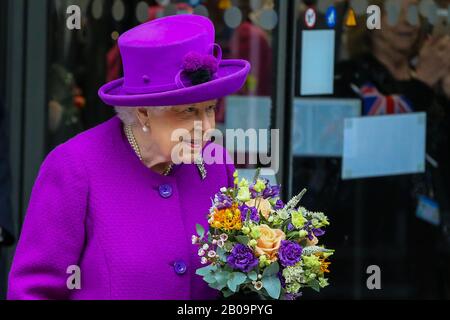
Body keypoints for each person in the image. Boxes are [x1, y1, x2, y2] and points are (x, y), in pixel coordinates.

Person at [8, 15, 250, 300]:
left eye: (210, 108)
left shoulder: (216, 164)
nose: (208, 127)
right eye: (189, 112)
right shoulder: (75, 167)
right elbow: (33, 290)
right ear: (144, 112)